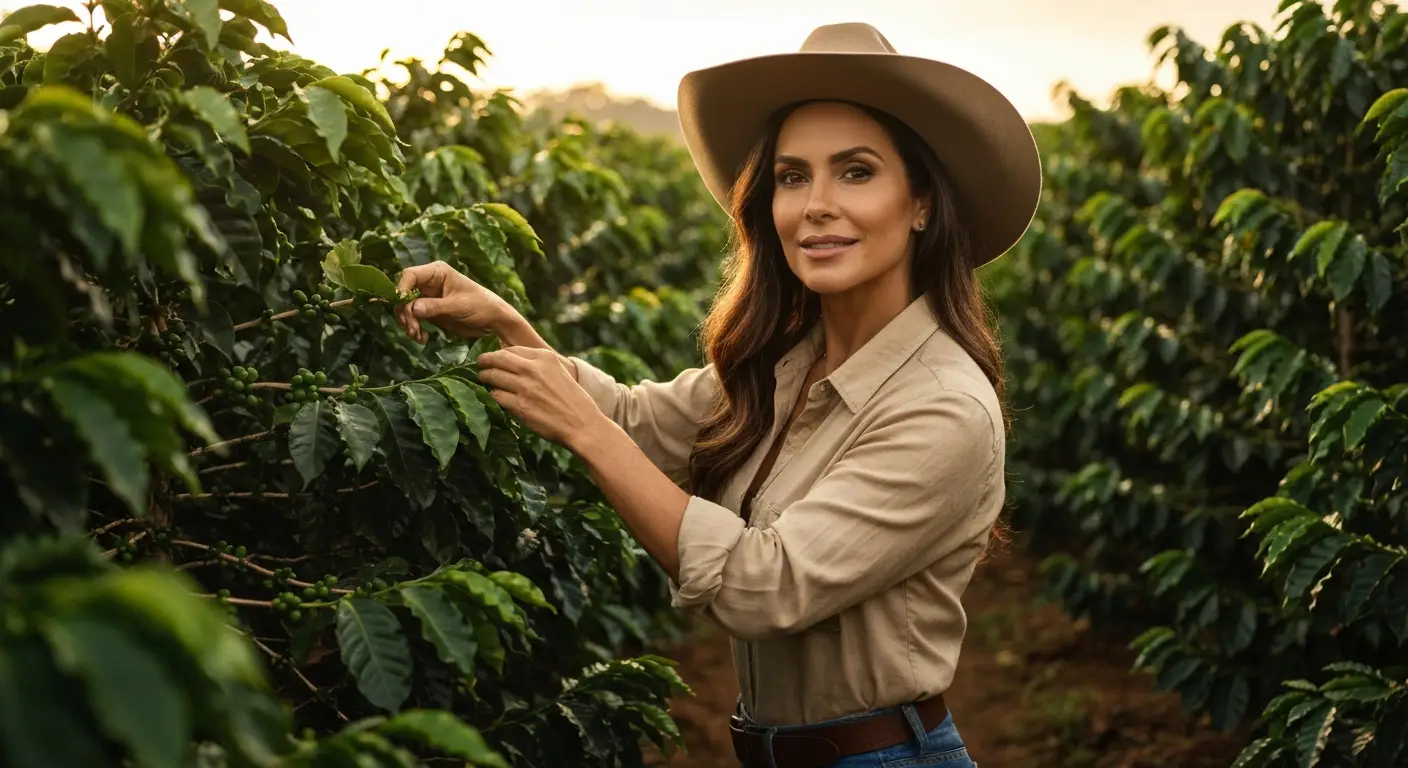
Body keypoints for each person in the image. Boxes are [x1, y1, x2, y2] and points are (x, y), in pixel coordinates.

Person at [393, 21, 1040, 768]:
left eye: (856, 172)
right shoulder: (792, 363)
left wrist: (585, 434)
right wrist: (508, 325)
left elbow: (761, 588)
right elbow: (636, 420)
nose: (815, 205)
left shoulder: (942, 407)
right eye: (793, 177)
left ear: (922, 202)